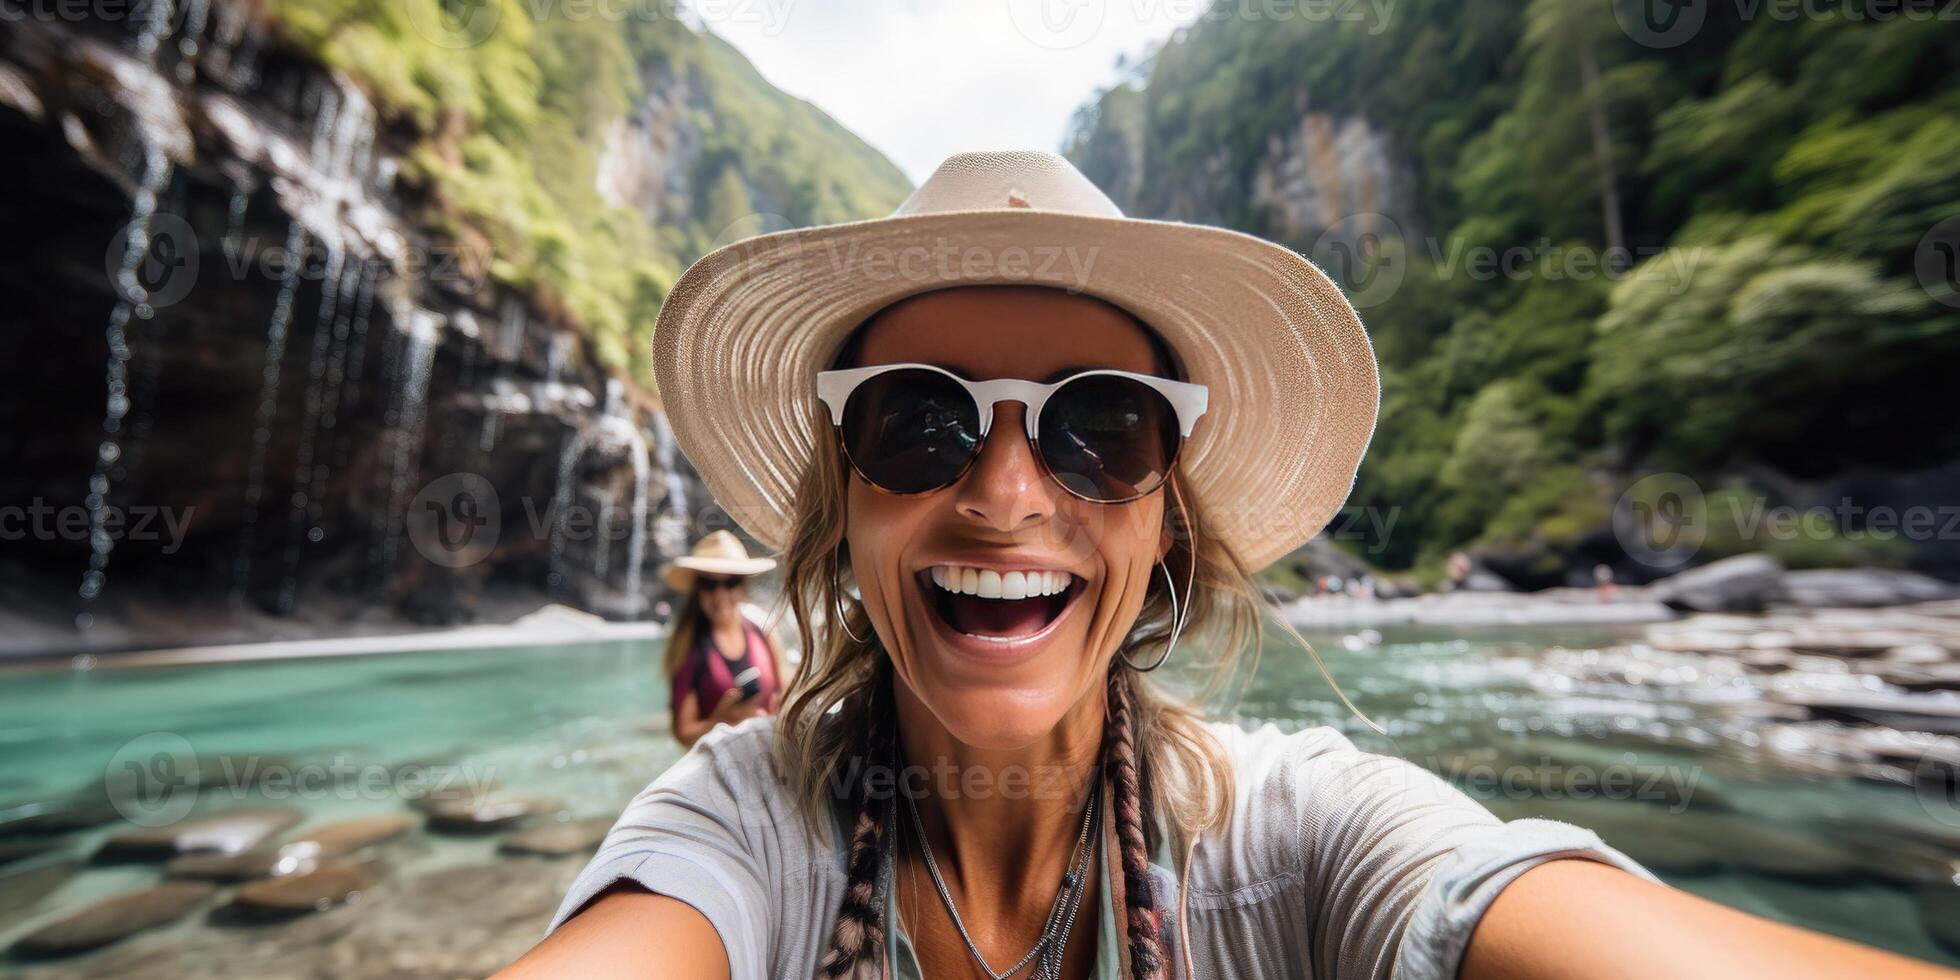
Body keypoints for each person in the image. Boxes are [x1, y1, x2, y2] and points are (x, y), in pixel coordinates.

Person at [503, 151, 1948, 979]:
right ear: (845, 498)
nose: (1005, 496)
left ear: (1169, 514)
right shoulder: (739, 822)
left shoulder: (1311, 832)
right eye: (920, 421)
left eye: (1102, 428)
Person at [658, 530, 791, 750]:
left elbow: (784, 690)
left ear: (743, 586)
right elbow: (683, 733)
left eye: (730, 583)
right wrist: (721, 720)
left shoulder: (763, 630)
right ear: (697, 590)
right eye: (709, 585)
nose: (720, 596)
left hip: (769, 756)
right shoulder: (688, 649)